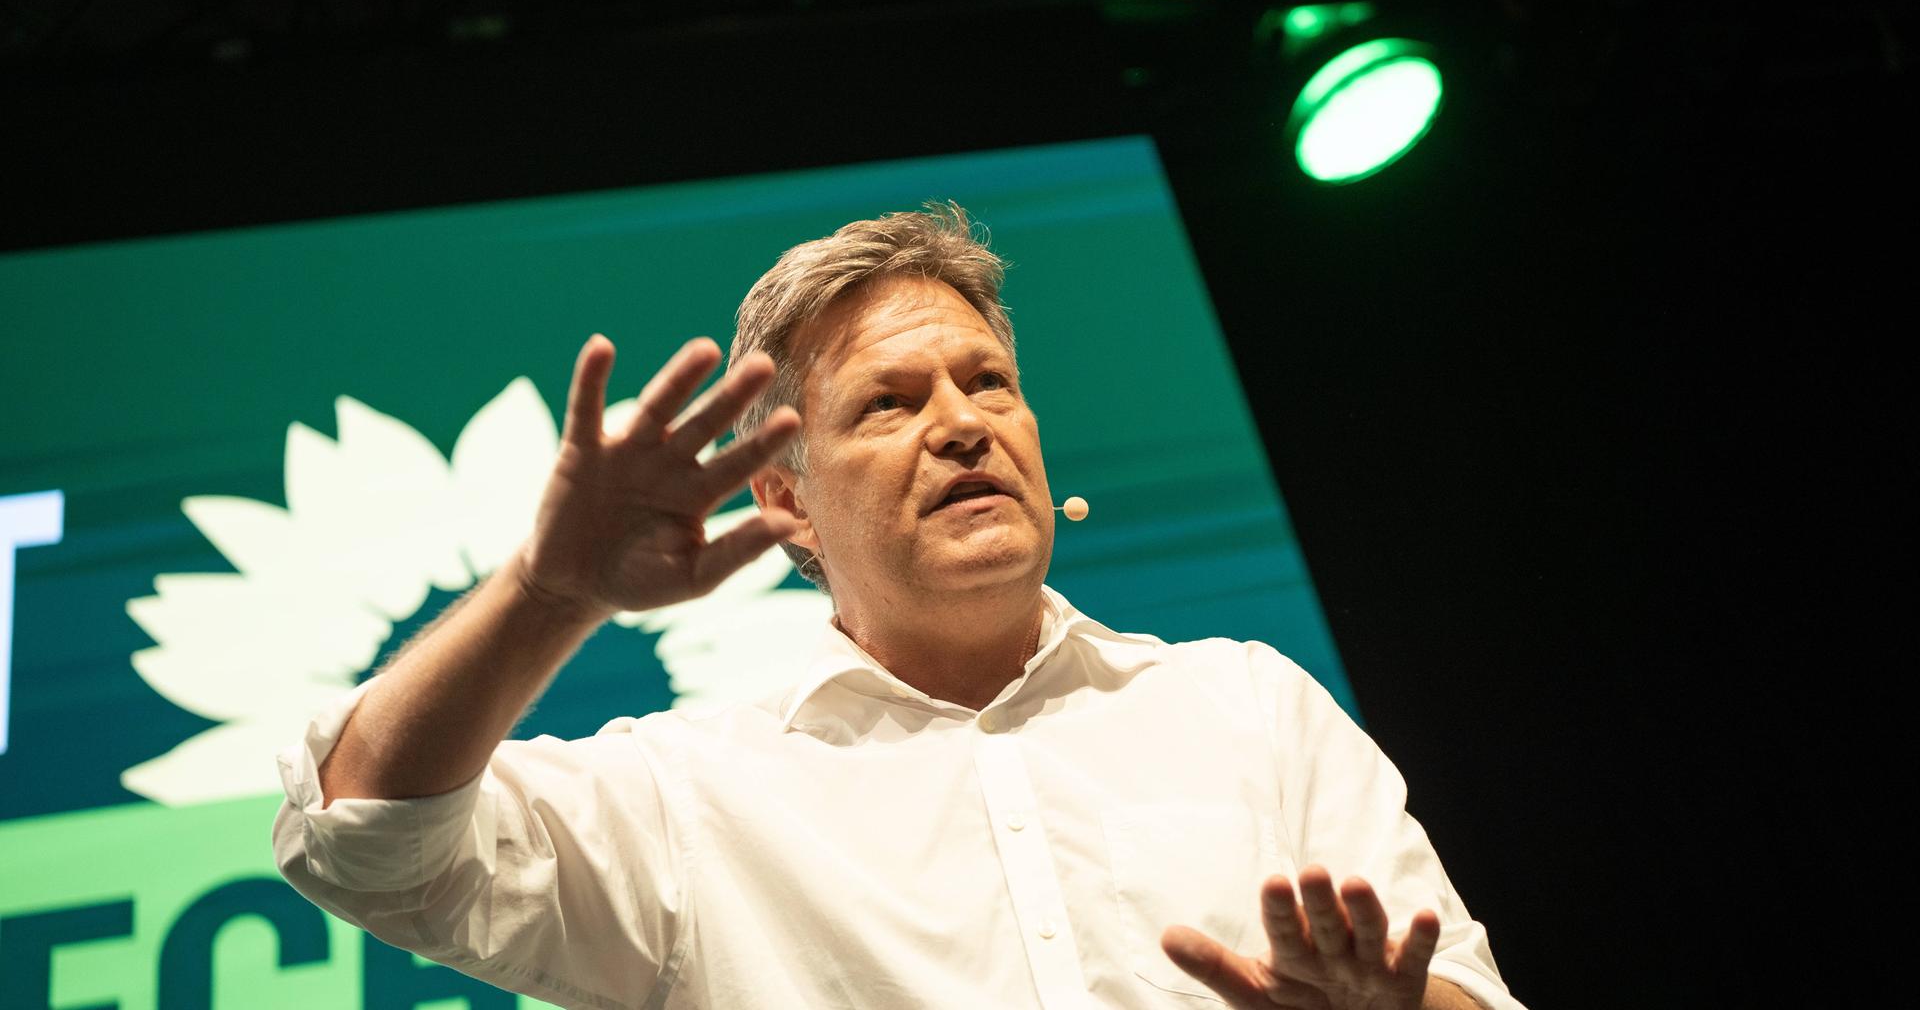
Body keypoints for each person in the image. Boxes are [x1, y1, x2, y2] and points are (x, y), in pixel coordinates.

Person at [273, 203, 1525, 1010]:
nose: (964, 424)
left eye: (989, 382)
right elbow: (366, 841)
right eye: (890, 402)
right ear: (789, 500)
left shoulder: (1246, 707)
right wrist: (547, 596)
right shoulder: (692, 799)